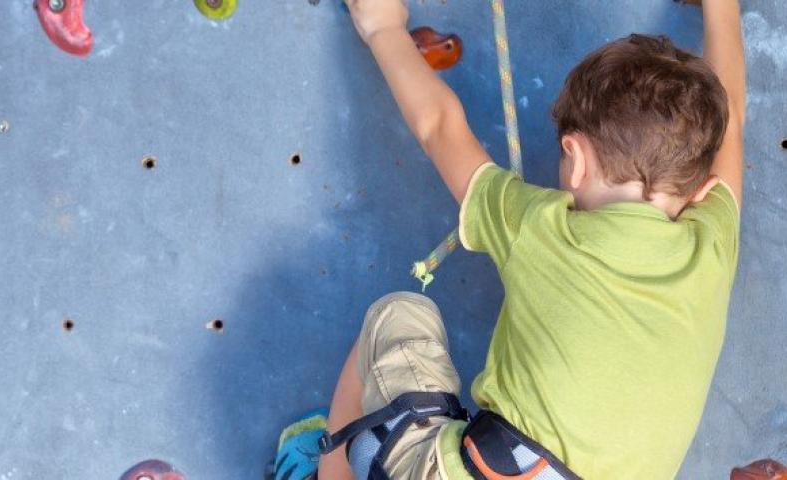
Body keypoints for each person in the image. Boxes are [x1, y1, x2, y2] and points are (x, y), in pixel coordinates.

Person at [318, 0, 747, 478]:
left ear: (575, 157)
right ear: (705, 190)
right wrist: (722, 9)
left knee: (395, 318)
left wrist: (382, 27)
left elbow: (439, 126)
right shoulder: (712, 245)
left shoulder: (541, 227)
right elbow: (733, 123)